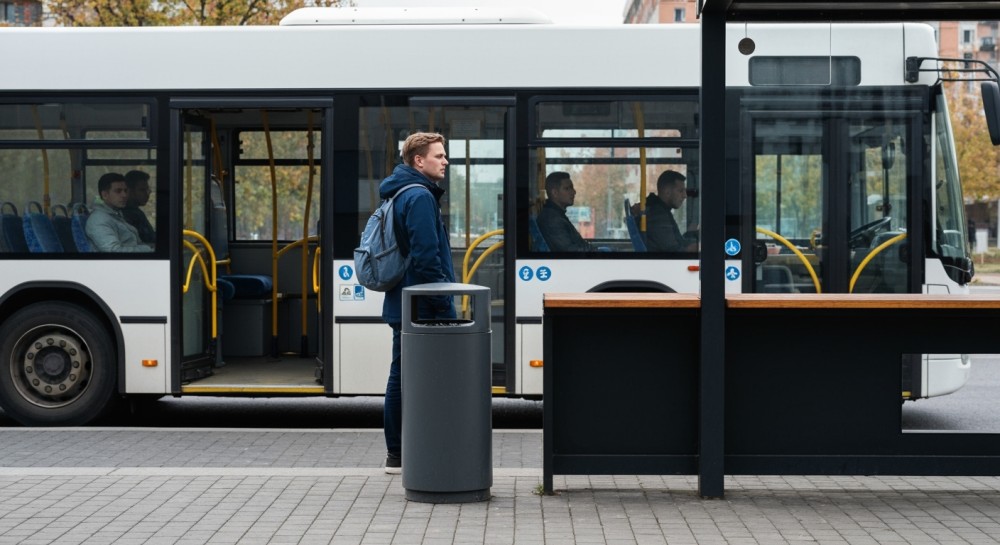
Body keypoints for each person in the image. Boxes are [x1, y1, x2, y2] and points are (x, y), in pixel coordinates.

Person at [380, 132, 457, 474]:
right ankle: (399, 452)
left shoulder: (402, 192)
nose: (445, 161)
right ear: (418, 160)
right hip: (421, 303)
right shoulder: (420, 197)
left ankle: (399, 452)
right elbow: (427, 259)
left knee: (403, 373)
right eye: (439, 156)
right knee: (409, 377)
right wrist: (443, 303)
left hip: (406, 299)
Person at [86, 172, 153, 253]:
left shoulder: (115, 214)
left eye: (125, 191)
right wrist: (148, 249)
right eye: (118, 191)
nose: (124, 195)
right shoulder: (99, 220)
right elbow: (114, 251)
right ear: (105, 195)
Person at [643, 170, 698, 252]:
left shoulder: (662, 211)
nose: (685, 196)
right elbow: (674, 252)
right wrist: (696, 247)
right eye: (680, 191)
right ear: (667, 192)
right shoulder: (658, 216)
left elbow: (678, 241)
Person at [535, 171, 591, 251]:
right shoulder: (552, 220)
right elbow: (569, 251)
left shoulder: (558, 214)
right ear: (555, 193)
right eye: (567, 188)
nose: (574, 192)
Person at [122, 170, 155, 244]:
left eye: (147, 189)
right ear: (129, 191)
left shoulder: (136, 212)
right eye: (142, 190)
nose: (147, 194)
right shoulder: (127, 215)